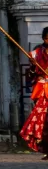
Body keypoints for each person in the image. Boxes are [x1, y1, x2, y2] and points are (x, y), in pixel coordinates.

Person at [20, 26, 48, 158]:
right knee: (42, 121)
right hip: (42, 92)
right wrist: (33, 65)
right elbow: (30, 76)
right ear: (44, 39)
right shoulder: (36, 54)